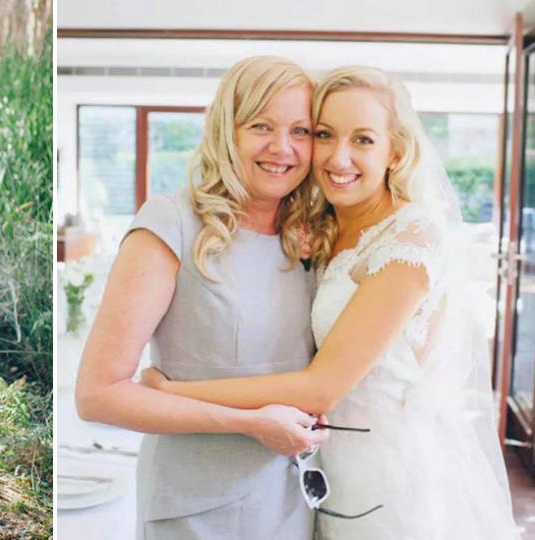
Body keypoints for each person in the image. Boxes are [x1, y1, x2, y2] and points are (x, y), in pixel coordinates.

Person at [141, 66, 519, 539]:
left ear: (396, 152)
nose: (339, 157)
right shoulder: (319, 227)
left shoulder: (411, 240)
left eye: (363, 140)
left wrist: (173, 394)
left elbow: (321, 388)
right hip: (317, 482)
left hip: (385, 481)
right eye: (323, 134)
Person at [74, 56, 328, 540]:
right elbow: (96, 395)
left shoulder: (309, 235)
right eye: (261, 126)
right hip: (198, 506)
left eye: (301, 131)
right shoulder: (170, 222)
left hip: (294, 498)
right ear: (226, 130)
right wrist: (249, 423)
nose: (282, 148)